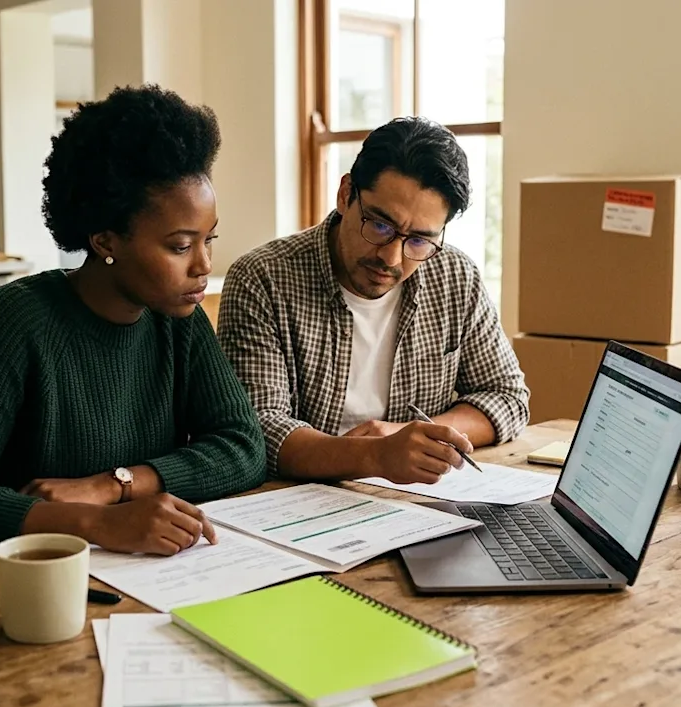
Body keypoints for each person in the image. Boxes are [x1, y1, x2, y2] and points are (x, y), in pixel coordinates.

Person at [0, 85, 266, 556]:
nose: (203, 265)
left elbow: (243, 446)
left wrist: (115, 486)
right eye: (180, 246)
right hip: (14, 586)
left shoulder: (178, 318)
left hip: (140, 579)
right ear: (106, 241)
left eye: (208, 240)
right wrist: (92, 523)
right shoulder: (15, 320)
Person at [217, 116, 529, 485]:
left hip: (411, 502)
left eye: (419, 240)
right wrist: (376, 455)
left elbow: (507, 396)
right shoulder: (262, 278)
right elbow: (257, 432)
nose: (392, 258)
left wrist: (411, 439)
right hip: (295, 503)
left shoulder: (455, 276)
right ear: (346, 194)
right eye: (380, 226)